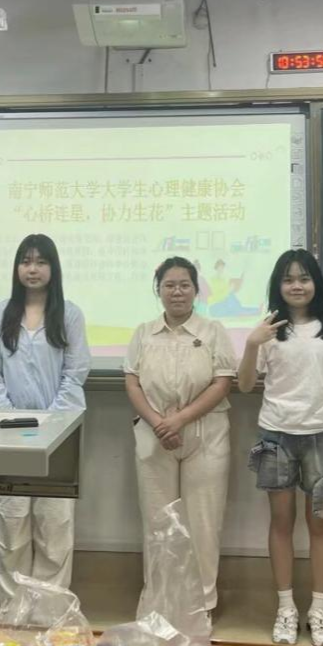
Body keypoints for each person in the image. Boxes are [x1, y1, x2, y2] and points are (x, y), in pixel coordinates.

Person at [238, 249, 323, 646]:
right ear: (278, 285)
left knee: (320, 525)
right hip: (277, 435)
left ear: (315, 283)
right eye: (288, 279)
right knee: (281, 522)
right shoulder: (269, 329)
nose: (297, 286)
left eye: (304, 278)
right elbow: (245, 385)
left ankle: (319, 610)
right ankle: (286, 608)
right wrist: (251, 344)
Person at [0, 234, 90, 606]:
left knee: (54, 525)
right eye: (25, 261)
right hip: (9, 435)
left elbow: (75, 374)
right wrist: (12, 420)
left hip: (59, 435)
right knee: (12, 525)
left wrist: (49, 423)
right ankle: (14, 609)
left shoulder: (69, 315)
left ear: (53, 268)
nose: (33, 269)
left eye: (41, 262)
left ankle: (50, 611)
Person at [124, 256, 237, 613]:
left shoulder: (213, 331)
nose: (177, 292)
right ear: (158, 290)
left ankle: (200, 607)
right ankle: (159, 604)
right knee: (158, 524)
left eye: (184, 285)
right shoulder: (143, 332)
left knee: (203, 525)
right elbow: (132, 382)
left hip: (206, 437)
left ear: (196, 290)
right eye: (169, 285)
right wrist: (160, 422)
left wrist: (180, 420)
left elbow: (222, 382)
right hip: (154, 437)